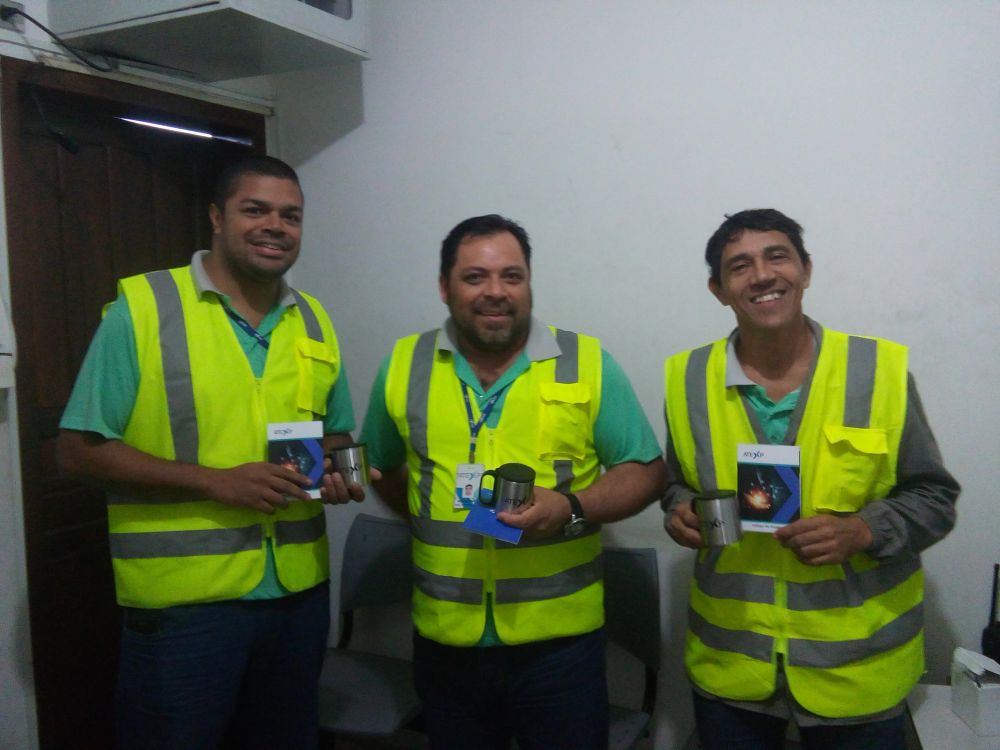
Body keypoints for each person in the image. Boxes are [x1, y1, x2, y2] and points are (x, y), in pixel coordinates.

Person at [56, 155, 374, 750]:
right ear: (217, 217)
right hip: (186, 605)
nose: (274, 226)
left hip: (298, 597)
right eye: (255, 210)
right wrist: (215, 481)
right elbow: (78, 451)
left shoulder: (312, 320)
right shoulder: (144, 308)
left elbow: (334, 435)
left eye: (290, 216)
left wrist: (338, 473)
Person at [361, 214, 665, 749]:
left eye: (512, 276)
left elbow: (645, 470)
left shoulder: (586, 362)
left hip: (559, 646)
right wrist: (427, 514)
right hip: (445, 639)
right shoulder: (404, 364)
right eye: (475, 277)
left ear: (529, 283)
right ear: (444, 286)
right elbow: (381, 465)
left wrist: (571, 507)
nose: (496, 292)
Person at [662, 208, 960, 749]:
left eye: (777, 256)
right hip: (733, 668)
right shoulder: (687, 378)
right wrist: (679, 512)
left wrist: (865, 531)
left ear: (805, 270)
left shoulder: (878, 371)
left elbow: (935, 497)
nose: (762, 275)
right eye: (739, 266)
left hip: (856, 673)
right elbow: (677, 483)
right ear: (718, 290)